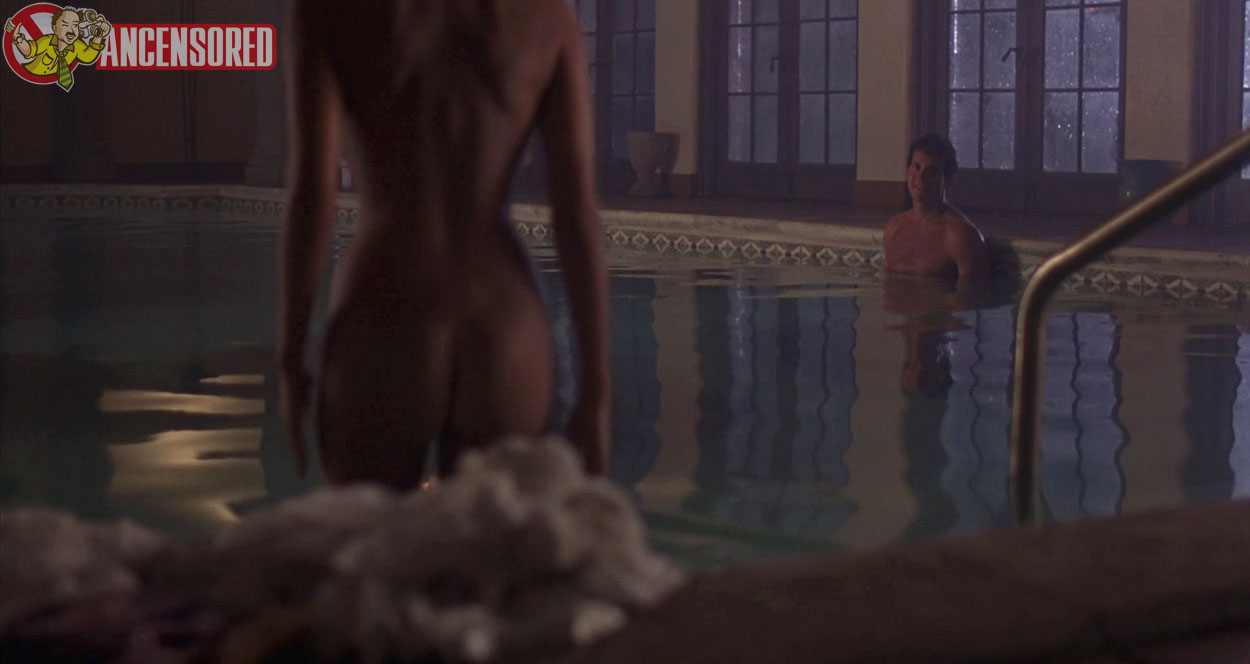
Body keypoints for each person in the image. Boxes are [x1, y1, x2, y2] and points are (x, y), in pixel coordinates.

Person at [278, 0, 610, 489]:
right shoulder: (545, 13)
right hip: (502, 318)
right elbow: (576, 211)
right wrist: (596, 393)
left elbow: (313, 198)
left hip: (386, 301)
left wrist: (291, 359)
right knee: (491, 536)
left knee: (368, 535)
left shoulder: (329, 10)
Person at [883, 134, 989, 281]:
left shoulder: (960, 236)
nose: (920, 178)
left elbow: (973, 293)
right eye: (916, 167)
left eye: (931, 171)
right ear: (907, 170)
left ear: (947, 179)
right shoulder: (893, 228)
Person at [5, 7, 111, 91]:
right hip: (27, 81)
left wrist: (99, 35)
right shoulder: (47, 41)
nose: (71, 31)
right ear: (55, 29)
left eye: (75, 25)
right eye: (65, 25)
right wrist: (17, 37)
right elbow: (29, 51)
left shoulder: (77, 46)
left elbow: (88, 56)